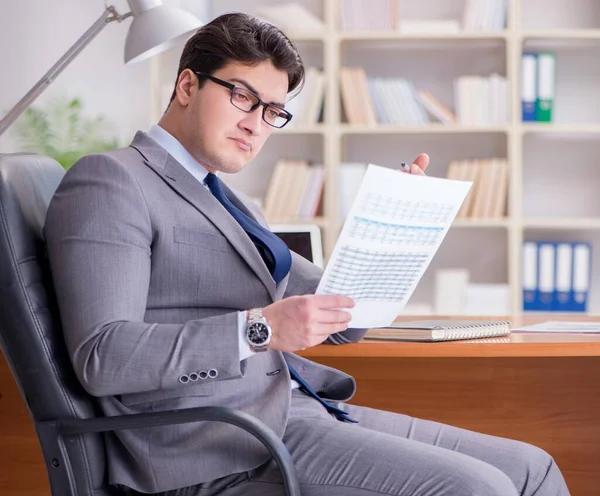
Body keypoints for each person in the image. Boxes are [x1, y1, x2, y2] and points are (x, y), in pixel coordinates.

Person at [43, 11, 570, 496]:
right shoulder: (113, 180)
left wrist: (393, 233)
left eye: (273, 112)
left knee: (532, 467)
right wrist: (260, 329)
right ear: (187, 84)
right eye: (242, 97)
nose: (256, 124)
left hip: (292, 412)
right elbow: (103, 358)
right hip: (214, 445)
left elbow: (343, 322)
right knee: (482, 489)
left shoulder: (233, 200)